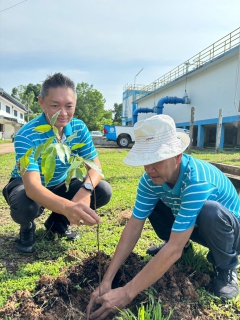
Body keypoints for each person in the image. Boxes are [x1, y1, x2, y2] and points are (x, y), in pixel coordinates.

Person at [87, 114, 240, 320]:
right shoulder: (150, 180)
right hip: (196, 227)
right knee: (154, 203)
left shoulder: (196, 181)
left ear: (177, 156)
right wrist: (107, 279)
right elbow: (133, 226)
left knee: (209, 211)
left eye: (156, 160)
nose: (149, 169)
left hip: (230, 233)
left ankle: (226, 267)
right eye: (145, 161)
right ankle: (186, 245)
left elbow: (173, 251)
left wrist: (126, 293)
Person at [2, 73, 112, 254]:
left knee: (102, 191)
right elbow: (32, 187)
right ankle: (27, 226)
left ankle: (57, 223)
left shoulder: (79, 128)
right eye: (55, 105)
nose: (63, 113)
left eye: (69, 106)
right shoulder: (26, 135)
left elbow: (95, 167)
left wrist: (85, 191)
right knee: (26, 206)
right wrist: (69, 207)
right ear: (41, 102)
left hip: (60, 182)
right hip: (27, 184)